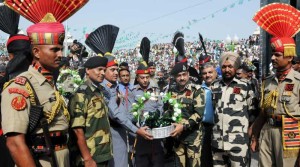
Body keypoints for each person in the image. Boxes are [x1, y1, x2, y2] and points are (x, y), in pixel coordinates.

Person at [85, 25, 152, 167]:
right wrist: (136, 130)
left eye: (117, 70)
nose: (116, 73)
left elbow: (124, 113)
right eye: (113, 70)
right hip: (110, 136)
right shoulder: (104, 89)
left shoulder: (114, 87)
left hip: (120, 133)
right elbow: (115, 114)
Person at [251, 3, 300, 167]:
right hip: (267, 132)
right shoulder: (267, 82)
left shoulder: (298, 82)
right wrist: (255, 134)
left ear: (289, 57)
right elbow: (263, 113)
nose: (273, 58)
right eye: (272, 54)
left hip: (289, 135)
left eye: (277, 55)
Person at [210, 52, 257, 166]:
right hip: (218, 143)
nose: (227, 70)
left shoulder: (245, 86)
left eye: (230, 66)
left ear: (235, 68)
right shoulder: (214, 86)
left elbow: (253, 112)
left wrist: (252, 136)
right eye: (224, 67)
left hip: (238, 142)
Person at [69, 56, 113, 167]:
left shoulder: (98, 91)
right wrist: (87, 158)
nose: (103, 73)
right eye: (99, 69)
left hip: (102, 152)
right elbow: (77, 129)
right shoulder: (81, 93)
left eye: (104, 69)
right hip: (90, 155)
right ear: (88, 70)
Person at [168, 61, 205, 167]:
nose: (182, 78)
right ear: (175, 77)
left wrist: (183, 126)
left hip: (193, 137)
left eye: (184, 74)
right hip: (178, 138)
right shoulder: (172, 92)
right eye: (179, 75)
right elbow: (169, 111)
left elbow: (199, 114)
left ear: (188, 74)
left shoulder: (197, 90)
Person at [132, 51, 164, 167]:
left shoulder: (156, 90)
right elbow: (131, 112)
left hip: (155, 134)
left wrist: (156, 121)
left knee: (157, 162)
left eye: (147, 77)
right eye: (142, 78)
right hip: (140, 135)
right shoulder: (133, 92)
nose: (145, 80)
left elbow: (160, 108)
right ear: (137, 78)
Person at [200, 62, 217, 167]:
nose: (207, 75)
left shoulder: (223, 87)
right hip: (204, 128)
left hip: (220, 128)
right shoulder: (198, 90)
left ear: (215, 72)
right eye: (205, 73)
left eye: (210, 72)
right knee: (206, 158)